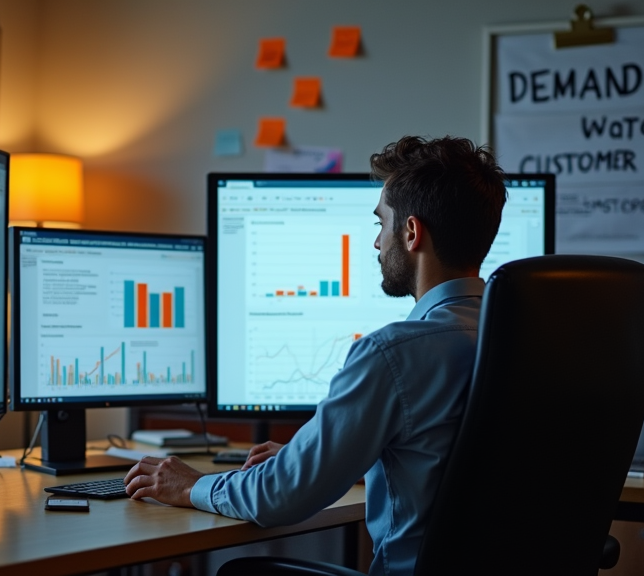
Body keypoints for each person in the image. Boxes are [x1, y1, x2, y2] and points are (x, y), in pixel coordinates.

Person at [123, 135, 508, 576]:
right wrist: (329, 456)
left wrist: (194, 485)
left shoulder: (392, 354)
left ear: (412, 232)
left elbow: (280, 497)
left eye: (381, 224)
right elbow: (460, 463)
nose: (377, 244)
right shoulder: (521, 342)